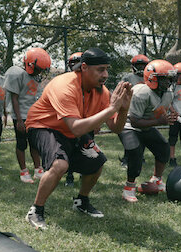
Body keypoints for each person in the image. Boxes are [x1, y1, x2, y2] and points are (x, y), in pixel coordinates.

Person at [24, 48, 132, 230]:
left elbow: (116, 128)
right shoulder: (64, 85)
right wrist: (113, 109)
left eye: (106, 69)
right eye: (100, 69)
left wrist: (123, 110)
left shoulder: (102, 91)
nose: (105, 74)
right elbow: (76, 127)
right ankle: (36, 210)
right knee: (60, 165)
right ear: (84, 67)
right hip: (43, 126)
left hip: (71, 130)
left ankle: (81, 201)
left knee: (97, 162)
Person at [120, 59, 178, 203]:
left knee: (164, 148)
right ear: (151, 78)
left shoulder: (167, 93)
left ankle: (156, 180)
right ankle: (129, 188)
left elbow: (162, 107)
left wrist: (172, 113)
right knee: (135, 152)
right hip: (128, 126)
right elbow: (134, 121)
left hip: (146, 125)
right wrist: (159, 121)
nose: (168, 82)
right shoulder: (141, 92)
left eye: (170, 78)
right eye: (164, 79)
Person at [4, 48, 51, 183]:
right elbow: (14, 98)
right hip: (21, 115)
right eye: (38, 69)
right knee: (21, 143)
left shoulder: (34, 76)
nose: (40, 72)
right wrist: (18, 120)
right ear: (30, 65)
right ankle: (24, 171)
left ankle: (38, 169)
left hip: (33, 114)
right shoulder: (16, 73)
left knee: (35, 143)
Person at [64, 52, 83, 187]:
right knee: (70, 147)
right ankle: (69, 175)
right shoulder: (66, 79)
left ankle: (85, 172)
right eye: (73, 63)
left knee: (86, 146)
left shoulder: (89, 79)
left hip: (86, 118)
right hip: (71, 118)